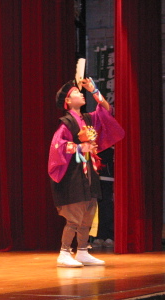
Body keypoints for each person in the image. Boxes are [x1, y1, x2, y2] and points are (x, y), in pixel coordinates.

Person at [48, 78, 124, 268]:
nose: (81, 94)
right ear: (68, 101)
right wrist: (81, 147)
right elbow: (58, 146)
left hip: (88, 171)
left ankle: (82, 251)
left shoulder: (88, 119)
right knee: (74, 216)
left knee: (88, 214)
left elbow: (106, 111)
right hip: (72, 174)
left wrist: (94, 90)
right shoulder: (66, 123)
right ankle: (64, 252)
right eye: (77, 92)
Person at [91, 146, 115, 248]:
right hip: (95, 179)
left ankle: (108, 235)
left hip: (108, 179)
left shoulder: (113, 147)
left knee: (107, 208)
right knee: (94, 209)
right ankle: (98, 236)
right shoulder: (94, 145)